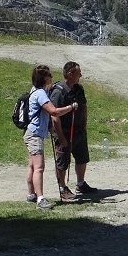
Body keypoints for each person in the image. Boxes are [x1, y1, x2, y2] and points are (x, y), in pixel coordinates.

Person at [24, 64, 79, 210]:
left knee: (32, 165)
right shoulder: (41, 93)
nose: (52, 78)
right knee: (39, 167)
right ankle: (40, 199)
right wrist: (71, 107)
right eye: (49, 75)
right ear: (44, 78)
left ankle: (31, 194)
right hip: (35, 134)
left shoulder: (34, 90)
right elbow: (54, 112)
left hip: (32, 133)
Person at [50, 61, 97, 201]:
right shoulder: (59, 91)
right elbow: (54, 116)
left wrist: (84, 124)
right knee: (62, 161)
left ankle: (81, 184)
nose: (81, 75)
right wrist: (61, 137)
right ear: (70, 74)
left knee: (82, 158)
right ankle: (62, 187)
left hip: (79, 131)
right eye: (78, 73)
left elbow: (84, 106)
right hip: (64, 132)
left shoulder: (79, 88)